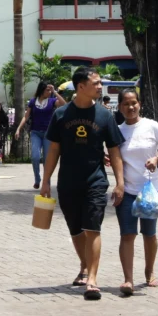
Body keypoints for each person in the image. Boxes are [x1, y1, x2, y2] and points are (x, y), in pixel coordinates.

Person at [40, 67, 125, 301]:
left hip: (95, 181)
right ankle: (84, 265)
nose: (100, 86)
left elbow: (114, 150)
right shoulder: (61, 114)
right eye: (95, 83)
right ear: (80, 86)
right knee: (76, 229)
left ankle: (92, 280)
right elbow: (53, 150)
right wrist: (46, 181)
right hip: (68, 182)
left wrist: (119, 182)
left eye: (100, 83)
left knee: (92, 228)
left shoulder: (105, 115)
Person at [116, 88, 158, 295]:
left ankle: (149, 272)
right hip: (127, 191)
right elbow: (113, 156)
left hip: (150, 192)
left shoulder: (151, 126)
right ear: (120, 107)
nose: (130, 107)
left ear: (139, 104)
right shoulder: (117, 131)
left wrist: (157, 158)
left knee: (149, 234)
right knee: (127, 234)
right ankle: (128, 280)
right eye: (126, 104)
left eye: (134, 103)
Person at [15, 82, 66, 189]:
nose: (49, 92)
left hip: (48, 133)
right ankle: (37, 179)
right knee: (35, 157)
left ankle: (46, 182)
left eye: (50, 90)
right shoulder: (33, 101)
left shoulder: (52, 101)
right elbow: (26, 116)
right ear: (41, 90)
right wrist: (18, 129)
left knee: (47, 159)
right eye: (47, 90)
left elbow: (64, 104)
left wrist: (54, 92)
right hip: (35, 132)